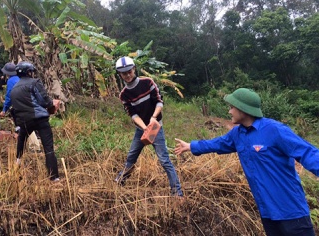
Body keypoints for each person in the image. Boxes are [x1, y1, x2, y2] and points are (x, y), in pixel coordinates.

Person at [174, 88, 319, 236]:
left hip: (291, 212)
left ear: (243, 110)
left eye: (232, 107)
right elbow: (218, 143)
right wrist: (191, 146)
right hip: (267, 212)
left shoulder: (275, 130)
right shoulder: (238, 134)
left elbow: (307, 152)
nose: (229, 112)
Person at [113, 56, 183, 196]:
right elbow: (132, 114)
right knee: (131, 157)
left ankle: (177, 193)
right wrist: (144, 127)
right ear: (120, 75)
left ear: (134, 69)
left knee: (164, 159)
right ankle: (119, 181)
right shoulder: (124, 95)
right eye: (124, 73)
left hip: (156, 127)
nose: (127, 75)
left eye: (129, 71)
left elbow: (159, 102)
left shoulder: (148, 82)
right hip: (141, 129)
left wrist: (153, 118)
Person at [10, 61, 59, 182]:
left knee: (21, 143)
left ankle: (16, 168)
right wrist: (53, 104)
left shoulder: (14, 88)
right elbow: (45, 102)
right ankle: (54, 177)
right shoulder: (34, 82)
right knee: (48, 147)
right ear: (29, 72)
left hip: (24, 122)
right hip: (39, 119)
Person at [0, 62, 20, 131]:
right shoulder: (19, 77)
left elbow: (9, 96)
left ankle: (19, 131)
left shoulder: (11, 81)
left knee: (14, 112)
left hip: (19, 104)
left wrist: (4, 110)